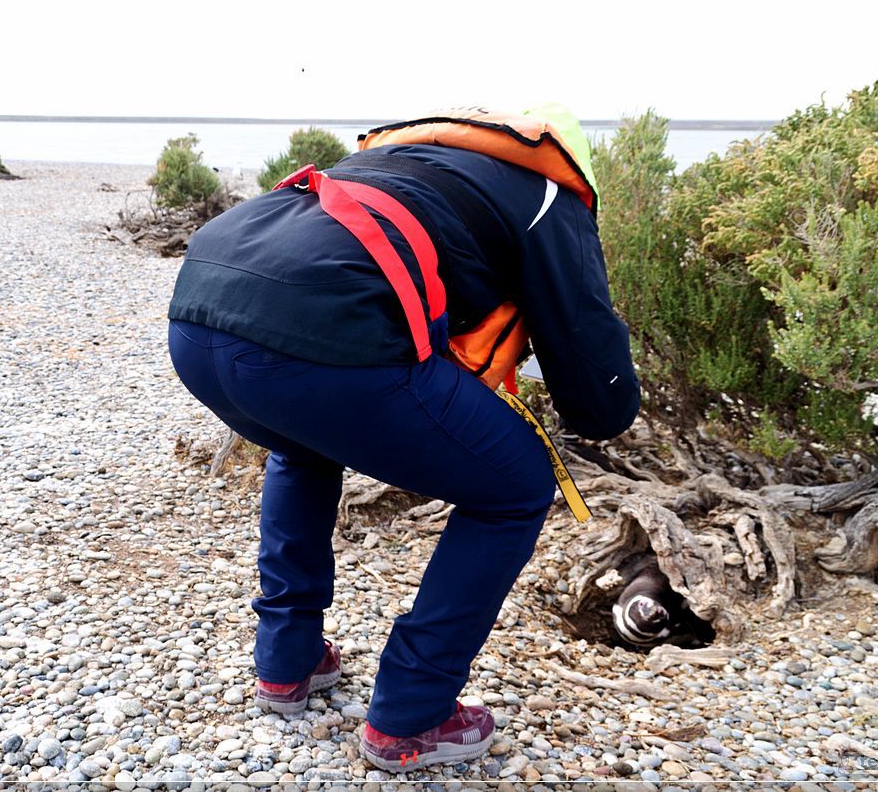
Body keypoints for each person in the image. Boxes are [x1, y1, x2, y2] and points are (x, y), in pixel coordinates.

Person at [166, 106, 640, 771]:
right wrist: (615, 404)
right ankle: (411, 715)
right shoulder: (546, 196)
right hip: (318, 343)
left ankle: (286, 661)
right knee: (515, 486)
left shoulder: (402, 160)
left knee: (302, 445)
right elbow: (593, 380)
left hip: (196, 315)